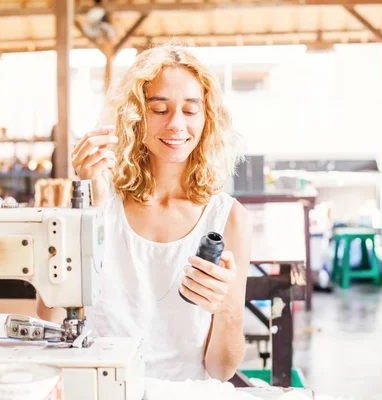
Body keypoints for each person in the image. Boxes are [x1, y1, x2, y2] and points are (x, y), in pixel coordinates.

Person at [37, 44, 252, 383]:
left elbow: (222, 370)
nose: (176, 124)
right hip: (100, 387)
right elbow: (49, 317)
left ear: (207, 117)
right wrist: (83, 213)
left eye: (190, 110)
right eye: (159, 109)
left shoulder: (229, 219)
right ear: (135, 116)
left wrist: (227, 310)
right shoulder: (98, 202)